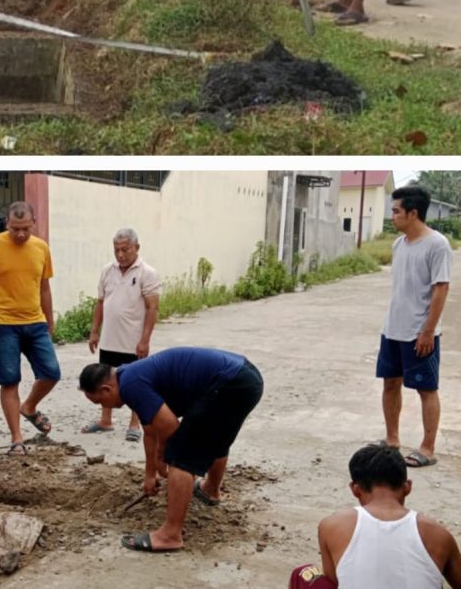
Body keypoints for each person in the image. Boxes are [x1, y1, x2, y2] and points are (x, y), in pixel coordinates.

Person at [79, 346, 263, 552]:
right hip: (245, 377)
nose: (104, 406)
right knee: (212, 436)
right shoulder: (128, 375)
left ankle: (170, 535)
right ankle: (211, 490)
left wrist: (162, 457)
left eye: (99, 401)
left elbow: (169, 426)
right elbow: (150, 430)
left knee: (181, 454)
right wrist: (150, 474)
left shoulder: (131, 385)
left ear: (106, 389)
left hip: (229, 383)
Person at [289, 444, 461, 588]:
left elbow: (336, 582)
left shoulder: (331, 525)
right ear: (407, 487)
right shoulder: (438, 534)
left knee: (303, 574)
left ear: (355, 489)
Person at [0, 201, 60, 457]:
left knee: (52, 372)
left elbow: (44, 287)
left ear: (33, 223)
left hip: (35, 322)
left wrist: (49, 321)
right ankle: (16, 438)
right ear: (7, 224)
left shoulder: (41, 248)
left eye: (25, 229)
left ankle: (29, 407)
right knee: (10, 380)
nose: (20, 234)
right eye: (15, 229)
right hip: (2, 324)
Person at [375, 186, 452, 469]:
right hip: (393, 328)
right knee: (390, 383)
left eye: (396, 211)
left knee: (426, 389)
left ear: (413, 213)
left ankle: (427, 448)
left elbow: (440, 289)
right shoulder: (400, 244)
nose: (392, 216)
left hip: (419, 332)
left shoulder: (437, 244)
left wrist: (428, 330)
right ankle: (392, 439)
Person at [83, 228, 161, 442]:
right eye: (116, 250)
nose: (120, 255)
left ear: (136, 248)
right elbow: (100, 303)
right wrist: (94, 332)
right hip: (109, 339)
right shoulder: (107, 270)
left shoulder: (147, 273)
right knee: (104, 381)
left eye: (125, 250)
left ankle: (135, 424)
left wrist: (145, 340)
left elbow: (152, 308)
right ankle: (105, 421)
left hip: (133, 342)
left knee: (135, 382)